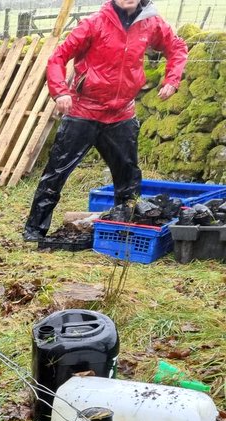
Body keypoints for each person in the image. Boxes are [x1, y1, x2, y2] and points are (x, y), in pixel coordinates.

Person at [22, 0, 187, 241]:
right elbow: (58, 57)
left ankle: (125, 231)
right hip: (83, 111)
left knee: (128, 178)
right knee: (56, 173)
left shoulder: (151, 23)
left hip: (122, 115)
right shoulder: (94, 23)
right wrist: (60, 91)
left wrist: (172, 79)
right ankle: (34, 232)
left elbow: (177, 47)